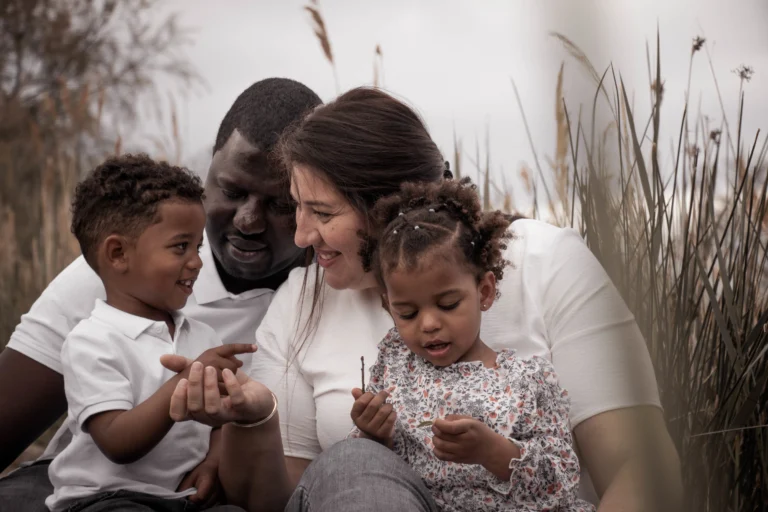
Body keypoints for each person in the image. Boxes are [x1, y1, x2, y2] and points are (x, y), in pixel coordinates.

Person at [164, 87, 682, 512]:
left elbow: (643, 471)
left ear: (389, 205)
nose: (301, 237)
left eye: (321, 214)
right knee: (354, 464)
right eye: (296, 208)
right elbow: (280, 501)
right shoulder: (301, 303)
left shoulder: (547, 262)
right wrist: (254, 419)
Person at [0, 78, 322, 511]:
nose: (248, 220)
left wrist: (219, 456)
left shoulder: (328, 291)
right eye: (231, 191)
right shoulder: (119, 269)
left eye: (280, 204)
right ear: (209, 170)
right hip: (87, 493)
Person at [348, 177, 595, 511]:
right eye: (407, 313)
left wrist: (493, 452)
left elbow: (562, 484)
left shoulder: (528, 383)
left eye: (448, 304)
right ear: (387, 306)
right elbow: (376, 481)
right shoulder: (394, 367)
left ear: (484, 292)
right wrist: (373, 436)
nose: (430, 324)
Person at [45, 154, 252, 512]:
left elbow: (222, 422)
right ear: (118, 254)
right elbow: (118, 442)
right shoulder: (91, 342)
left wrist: (213, 461)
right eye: (180, 246)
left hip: (182, 500)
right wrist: (187, 381)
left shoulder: (203, 337)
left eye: (198, 247)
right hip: (107, 499)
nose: (198, 261)